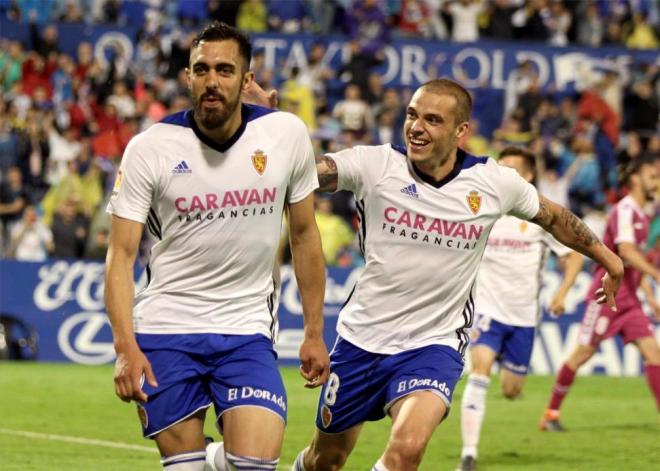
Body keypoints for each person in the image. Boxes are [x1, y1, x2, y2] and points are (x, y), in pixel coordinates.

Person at [278, 78, 622, 471]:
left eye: (432, 119)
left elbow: (555, 218)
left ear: (461, 131)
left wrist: (608, 259)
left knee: (407, 449)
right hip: (361, 340)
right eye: (411, 115)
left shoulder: (493, 182)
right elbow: (312, 172)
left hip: (434, 344)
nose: (416, 127)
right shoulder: (375, 165)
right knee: (327, 459)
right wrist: (266, 137)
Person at [104, 22, 329, 471]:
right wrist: (125, 346)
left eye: (225, 70)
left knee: (253, 463)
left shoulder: (285, 135)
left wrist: (313, 332)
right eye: (201, 69)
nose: (211, 81)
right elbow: (121, 255)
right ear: (187, 76)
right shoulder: (150, 148)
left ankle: (214, 458)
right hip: (166, 328)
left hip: (245, 329)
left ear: (246, 80)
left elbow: (304, 235)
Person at [456, 146, 584, 471]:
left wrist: (562, 293)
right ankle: (468, 454)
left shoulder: (541, 216)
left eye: (512, 170)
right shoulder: (484, 210)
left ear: (527, 176)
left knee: (512, 391)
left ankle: (499, 361)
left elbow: (574, 256)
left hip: (524, 318)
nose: (504, 176)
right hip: (487, 309)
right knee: (479, 368)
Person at [540, 156, 660, 431]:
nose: (656, 182)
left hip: (629, 298)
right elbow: (627, 252)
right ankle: (550, 415)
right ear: (635, 180)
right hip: (607, 295)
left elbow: (630, 263)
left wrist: (649, 295)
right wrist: (656, 275)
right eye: (652, 177)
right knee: (582, 353)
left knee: (654, 354)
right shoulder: (626, 210)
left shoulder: (643, 213)